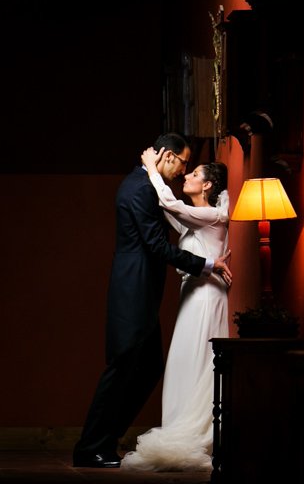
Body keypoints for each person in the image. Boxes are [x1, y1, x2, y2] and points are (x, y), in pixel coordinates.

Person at [72, 133, 233, 469]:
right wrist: (206, 265)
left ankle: (105, 441)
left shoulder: (145, 185)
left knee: (146, 367)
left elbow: (173, 220)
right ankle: (91, 448)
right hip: (133, 292)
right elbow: (158, 246)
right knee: (121, 368)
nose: (184, 171)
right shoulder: (141, 188)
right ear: (169, 156)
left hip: (141, 292)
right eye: (184, 162)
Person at [120, 148, 230, 472]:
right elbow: (167, 207)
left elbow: (169, 203)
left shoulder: (214, 217)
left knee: (200, 361)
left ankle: (200, 433)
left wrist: (151, 166)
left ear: (208, 186)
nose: (187, 176)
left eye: (195, 174)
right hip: (191, 296)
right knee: (183, 362)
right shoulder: (192, 223)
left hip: (208, 298)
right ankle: (179, 424)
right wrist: (153, 176)